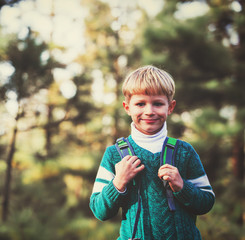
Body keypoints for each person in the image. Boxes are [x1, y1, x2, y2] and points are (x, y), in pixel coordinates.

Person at [90, 65, 215, 240]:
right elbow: (99, 210)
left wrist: (182, 186)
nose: (149, 111)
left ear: (170, 107)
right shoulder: (114, 154)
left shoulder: (185, 151)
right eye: (140, 104)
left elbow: (206, 202)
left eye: (157, 103)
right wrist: (118, 183)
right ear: (127, 108)